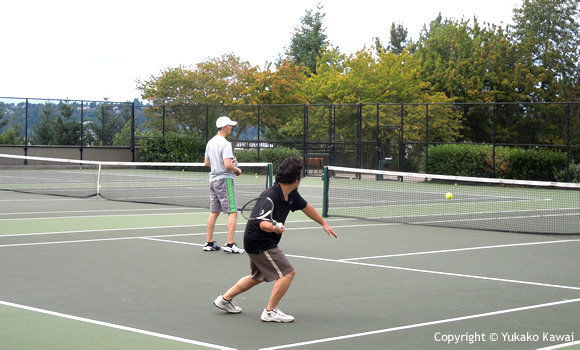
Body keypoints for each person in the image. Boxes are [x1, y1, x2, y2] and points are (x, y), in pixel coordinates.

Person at [213, 157, 337, 322]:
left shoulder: (291, 194)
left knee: (257, 276)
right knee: (287, 273)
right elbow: (262, 223)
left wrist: (323, 223)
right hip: (260, 241)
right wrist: (274, 227)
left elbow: (306, 207)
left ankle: (224, 300)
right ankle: (270, 311)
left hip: (258, 240)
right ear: (296, 180)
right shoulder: (270, 196)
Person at [204, 116, 244, 254]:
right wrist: (237, 169)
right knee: (233, 211)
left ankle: (209, 243)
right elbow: (228, 165)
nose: (231, 127)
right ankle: (230, 244)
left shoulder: (210, 142)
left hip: (213, 181)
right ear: (224, 127)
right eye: (230, 125)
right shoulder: (225, 144)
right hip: (224, 180)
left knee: (214, 212)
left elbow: (207, 163)